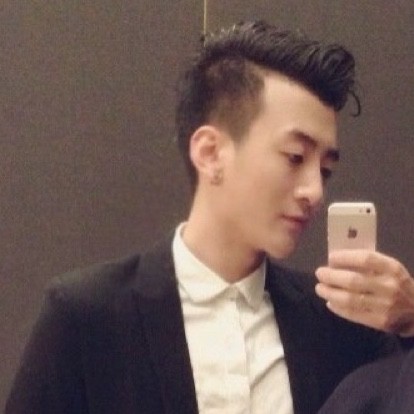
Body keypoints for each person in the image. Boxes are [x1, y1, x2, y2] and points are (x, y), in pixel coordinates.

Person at [5, 20, 414, 414]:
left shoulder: (339, 325)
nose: (314, 191)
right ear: (210, 153)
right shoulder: (87, 317)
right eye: (294, 157)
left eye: (325, 170)